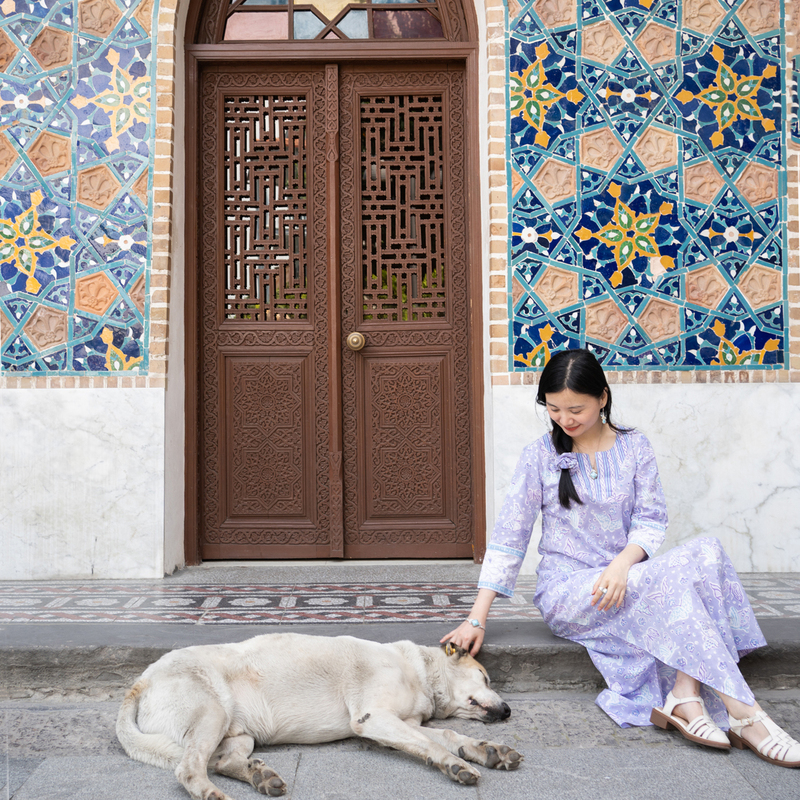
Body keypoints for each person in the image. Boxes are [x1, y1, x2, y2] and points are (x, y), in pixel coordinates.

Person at [443, 348, 800, 768]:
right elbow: (509, 537)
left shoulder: (635, 448)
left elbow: (651, 520)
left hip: (626, 580)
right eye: (554, 408)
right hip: (571, 593)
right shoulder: (539, 456)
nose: (565, 419)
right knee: (673, 577)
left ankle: (685, 694)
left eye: (576, 408)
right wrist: (476, 617)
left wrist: (621, 564)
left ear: (603, 398)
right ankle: (745, 713)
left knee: (706, 551)